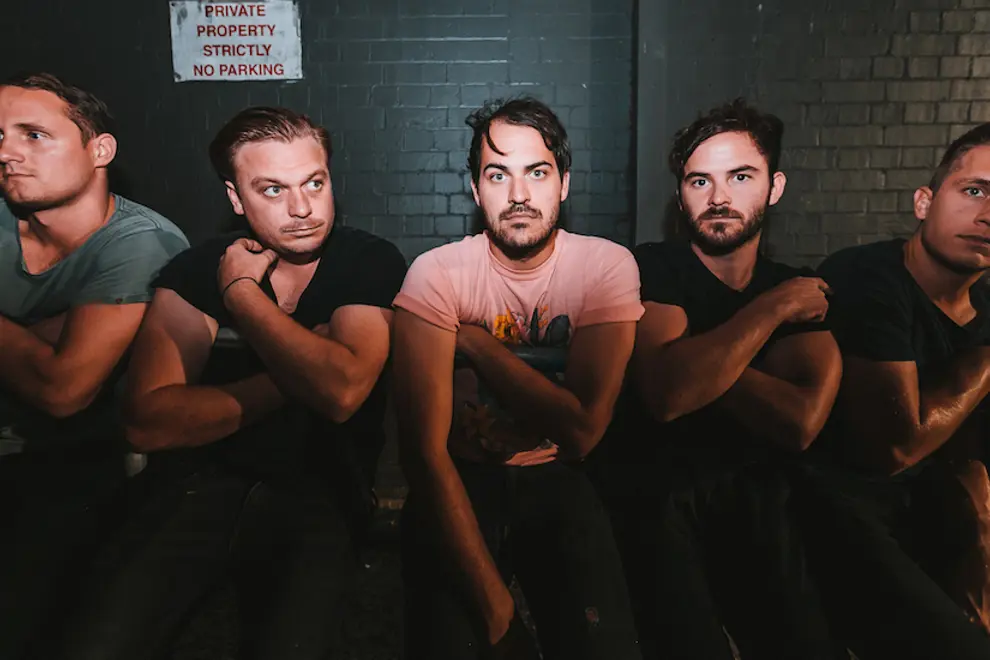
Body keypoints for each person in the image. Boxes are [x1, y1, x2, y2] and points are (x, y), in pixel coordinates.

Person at [55, 106, 407, 660]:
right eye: (273, 189)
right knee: (96, 642)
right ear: (236, 198)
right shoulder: (197, 268)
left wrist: (241, 294)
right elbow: (148, 422)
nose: (302, 208)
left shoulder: (367, 260)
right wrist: (294, 373)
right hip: (196, 488)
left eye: (314, 183)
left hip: (321, 490)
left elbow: (341, 393)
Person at [391, 96, 643, 660]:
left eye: (537, 172)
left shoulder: (604, 266)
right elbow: (422, 455)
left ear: (565, 184)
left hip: (560, 473)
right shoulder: (436, 273)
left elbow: (582, 431)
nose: (519, 194)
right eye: (498, 175)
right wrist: (499, 616)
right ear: (475, 189)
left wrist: (477, 344)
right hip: (461, 477)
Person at [597, 99, 843, 660]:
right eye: (699, 181)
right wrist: (771, 311)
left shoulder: (801, 285)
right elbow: (668, 393)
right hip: (657, 498)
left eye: (741, 177)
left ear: (775, 187)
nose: (718, 197)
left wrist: (697, 353)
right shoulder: (650, 268)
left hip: (761, 504)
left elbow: (800, 421)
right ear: (680, 193)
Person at [0, 72, 188, 659]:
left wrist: (48, 357)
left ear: (99, 150)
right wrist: (40, 341)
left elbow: (64, 390)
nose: (7, 152)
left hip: (69, 463)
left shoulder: (141, 242)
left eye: (34, 135)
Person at [801, 122, 990, 660]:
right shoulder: (868, 276)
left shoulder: (986, 306)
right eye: (974, 190)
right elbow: (893, 446)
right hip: (838, 511)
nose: (988, 214)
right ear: (924, 202)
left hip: (932, 509)